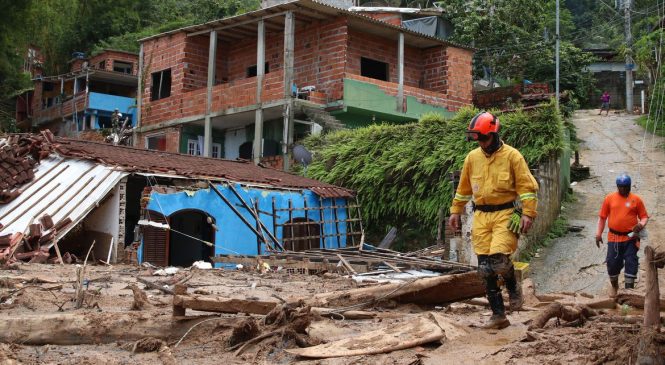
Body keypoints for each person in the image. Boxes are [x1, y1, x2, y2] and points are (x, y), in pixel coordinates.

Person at [449, 111, 539, 330]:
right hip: (481, 216)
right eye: (477, 139)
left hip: (506, 214)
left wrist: (528, 213)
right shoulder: (472, 158)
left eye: (484, 138)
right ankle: (498, 315)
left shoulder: (513, 156)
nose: (481, 143)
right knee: (484, 268)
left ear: (495, 134)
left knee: (498, 260)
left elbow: (527, 189)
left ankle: (512, 285)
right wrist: (455, 211)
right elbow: (463, 190)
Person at [595, 174, 649, 297]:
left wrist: (641, 224)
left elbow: (644, 216)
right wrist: (598, 234)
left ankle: (628, 292)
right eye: (621, 187)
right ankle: (615, 286)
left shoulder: (636, 199)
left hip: (631, 237)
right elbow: (602, 218)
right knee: (612, 263)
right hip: (614, 237)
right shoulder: (609, 198)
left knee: (631, 262)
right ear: (617, 186)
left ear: (629, 186)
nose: (623, 189)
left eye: (625, 187)